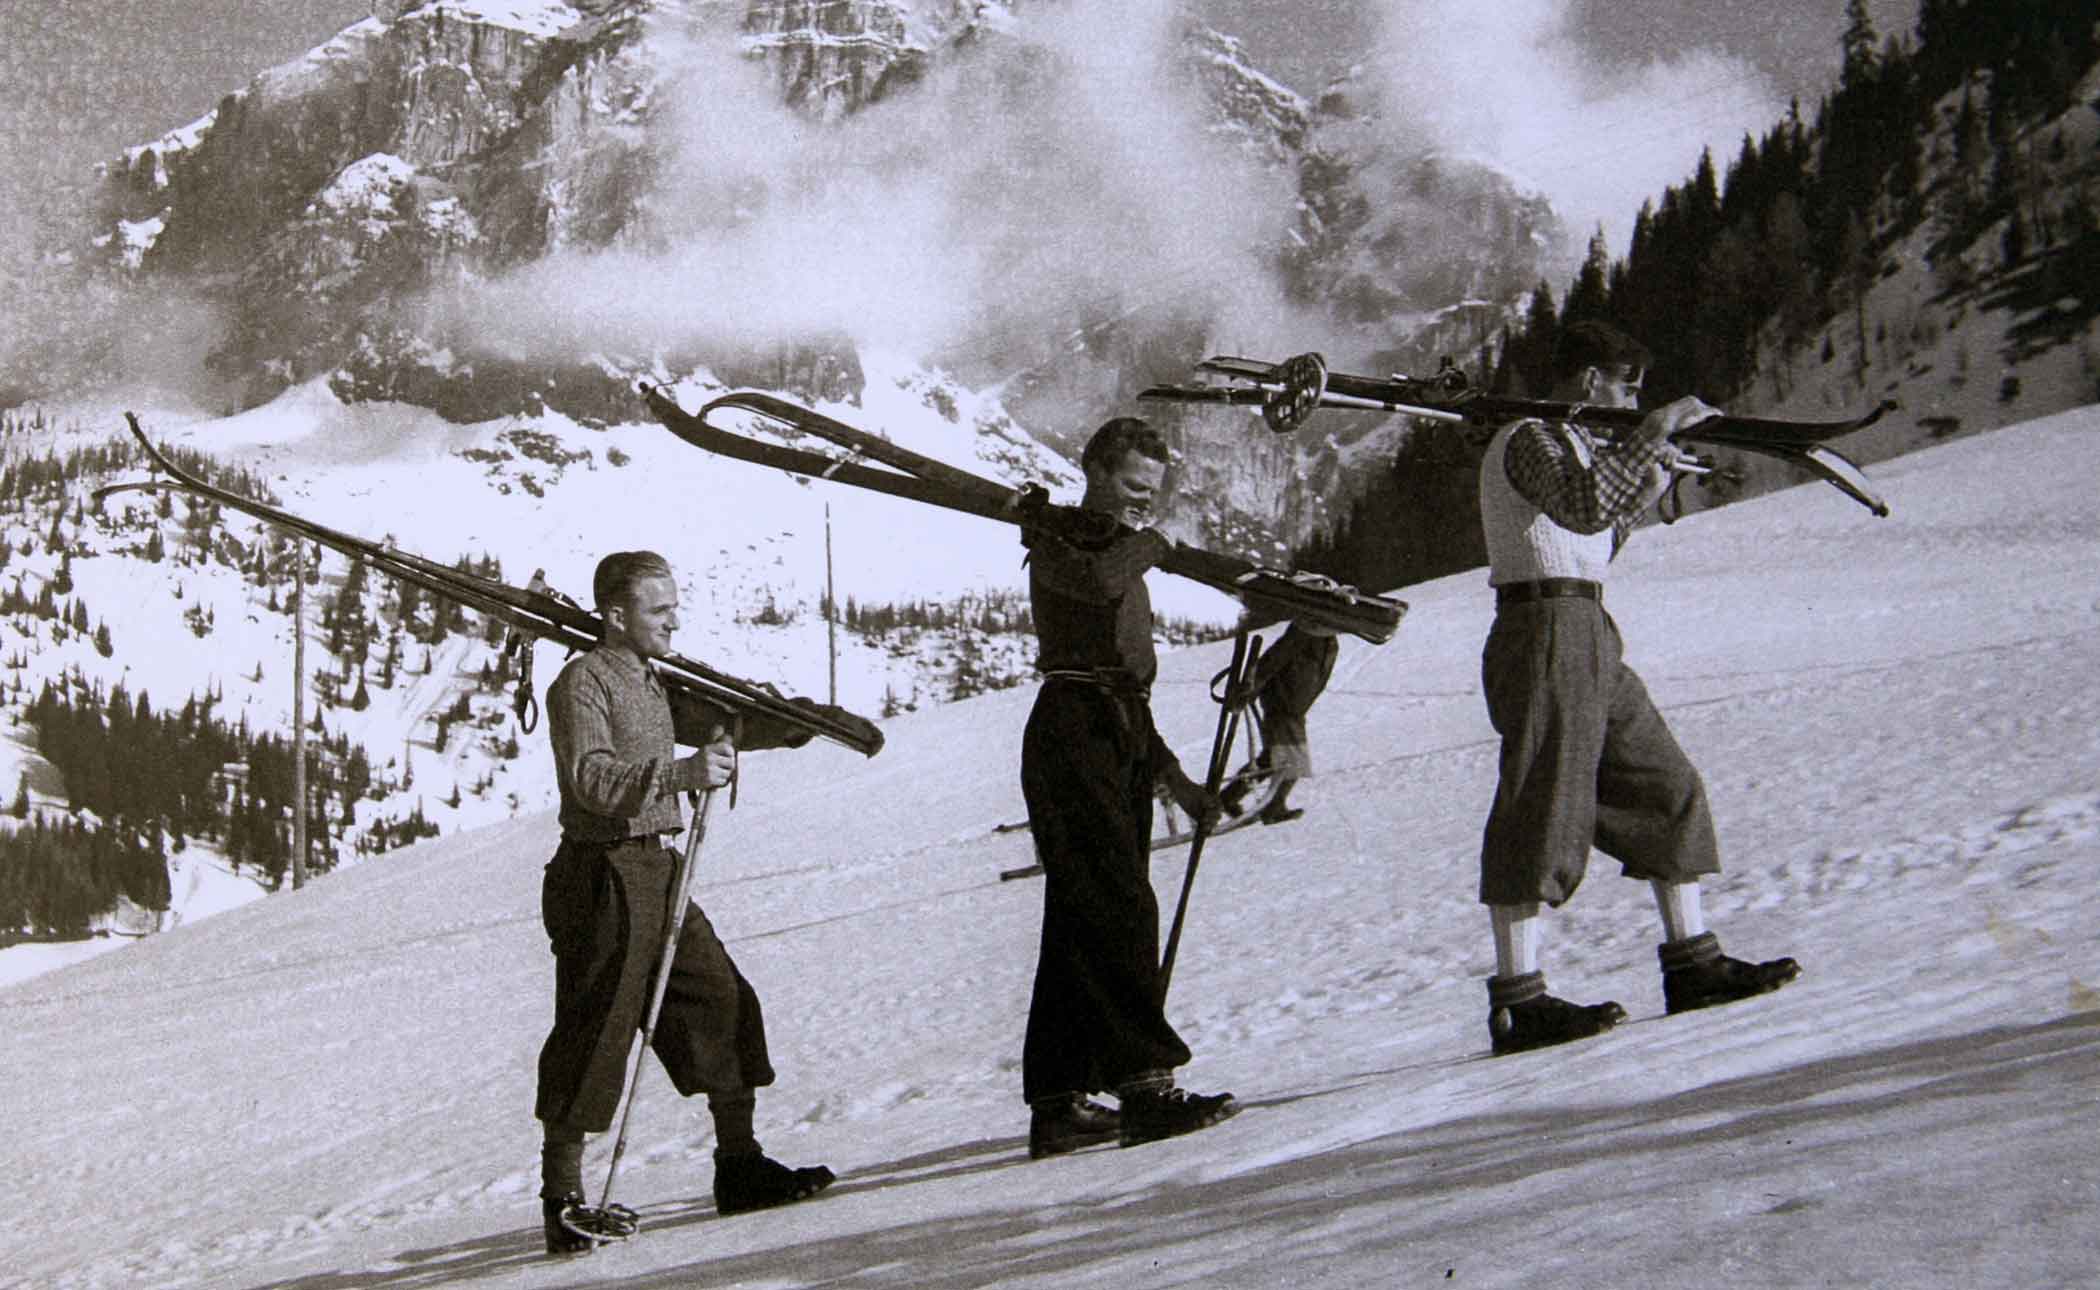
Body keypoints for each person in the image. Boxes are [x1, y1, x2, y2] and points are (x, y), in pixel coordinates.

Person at [534, 550, 880, 1255]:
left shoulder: (651, 678)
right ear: (616, 615)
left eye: (673, 607)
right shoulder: (583, 683)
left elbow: (722, 717)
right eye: (659, 610)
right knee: (596, 1030)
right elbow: (591, 780)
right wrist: (682, 773)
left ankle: (739, 1164)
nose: (673, 621)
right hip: (603, 875)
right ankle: (562, 1199)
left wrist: (805, 722)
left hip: (656, 869)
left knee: (719, 999)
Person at [1473, 320, 1800, 1057]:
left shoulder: (1574, 444)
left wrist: (1645, 493)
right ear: (1591, 379)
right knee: (1543, 802)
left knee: (1664, 785)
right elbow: (1582, 508)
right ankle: (1518, 1001)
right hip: (1542, 626)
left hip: (1584, 621)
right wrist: (1651, 436)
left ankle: (1694, 964)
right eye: (1627, 387)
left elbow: (1590, 540)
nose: (1631, 401)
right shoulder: (1528, 437)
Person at [1017, 416, 1239, 1157]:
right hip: (1072, 730)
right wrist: (1155, 545)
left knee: (1080, 917)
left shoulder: (1115, 546)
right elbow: (1096, 581)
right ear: (1095, 471)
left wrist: (1177, 780)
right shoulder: (1058, 536)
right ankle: (1145, 1086)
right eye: (1133, 485)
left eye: (1152, 490)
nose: (1144, 500)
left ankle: (1058, 1102)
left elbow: (1129, 690)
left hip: (1115, 728)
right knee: (1118, 907)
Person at [1220, 618, 1339, 824]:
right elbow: (1272, 660)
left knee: (1271, 758)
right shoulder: (1304, 632)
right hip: (1283, 705)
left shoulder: (1328, 639)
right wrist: (1250, 687)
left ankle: (1229, 798)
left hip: (1294, 707)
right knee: (1293, 760)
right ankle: (1273, 807)